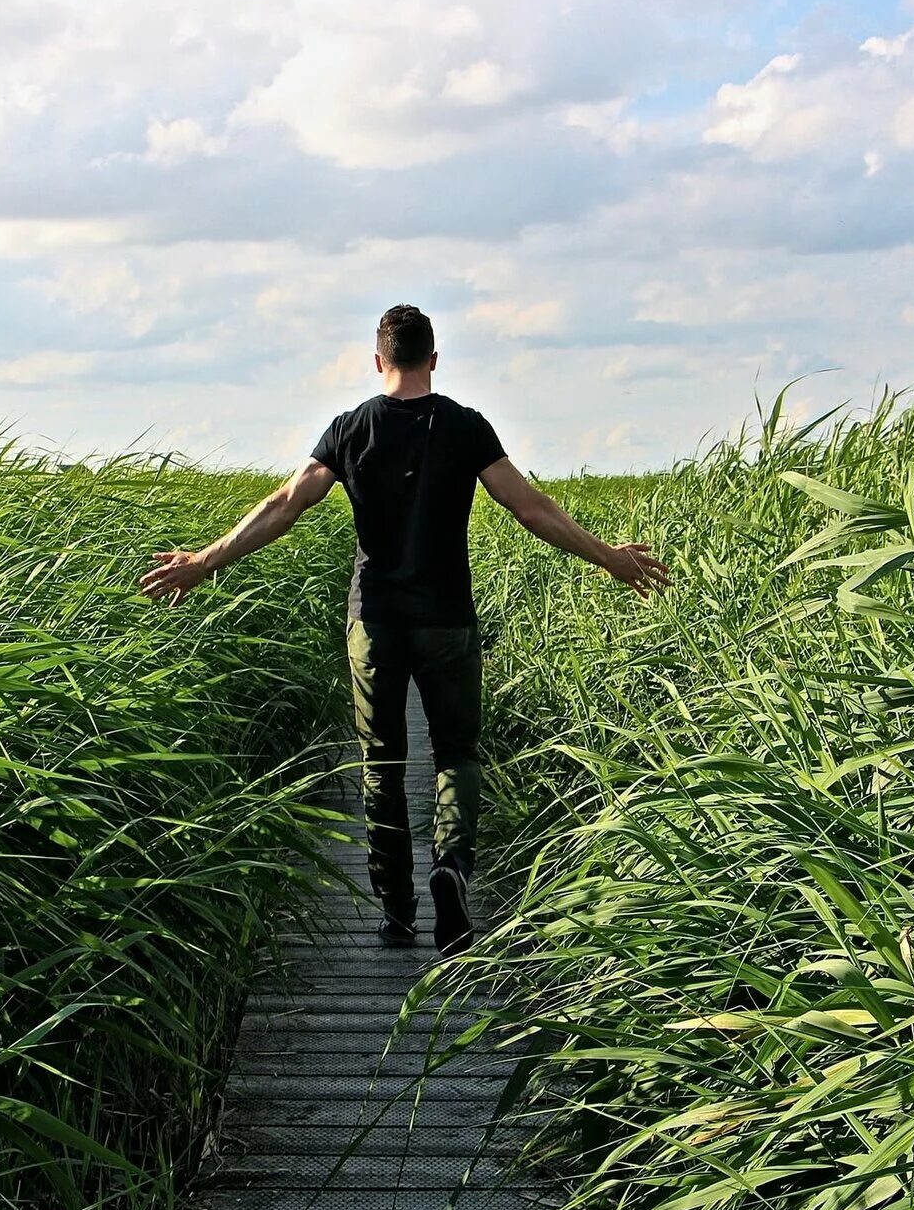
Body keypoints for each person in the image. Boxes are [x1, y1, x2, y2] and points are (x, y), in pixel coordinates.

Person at [139, 304, 669, 955]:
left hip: (377, 622)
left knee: (382, 763)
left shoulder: (352, 428)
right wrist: (610, 557)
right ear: (435, 359)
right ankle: (451, 866)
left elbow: (285, 504)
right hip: (447, 618)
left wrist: (202, 561)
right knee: (455, 754)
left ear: (378, 359)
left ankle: (396, 907)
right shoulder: (465, 426)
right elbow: (530, 507)